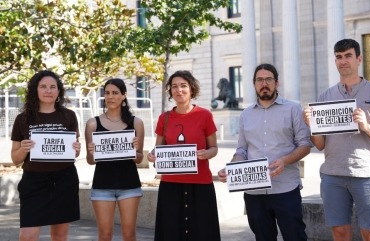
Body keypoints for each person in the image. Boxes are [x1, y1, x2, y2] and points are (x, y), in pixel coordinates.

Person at [303, 39, 370, 241]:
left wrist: (366, 127)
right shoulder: (325, 97)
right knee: (339, 232)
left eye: (348, 56)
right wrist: (311, 125)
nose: (343, 61)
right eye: (339, 57)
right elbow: (320, 145)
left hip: (367, 174)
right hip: (333, 175)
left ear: (359, 59)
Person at [217, 63, 312, 241]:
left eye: (268, 79)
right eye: (259, 80)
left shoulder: (293, 109)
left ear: (277, 83)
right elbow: (242, 150)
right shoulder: (246, 114)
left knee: (295, 237)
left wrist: (285, 160)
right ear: (254, 84)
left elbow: (305, 145)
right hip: (254, 192)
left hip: (286, 188)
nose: (264, 84)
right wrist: (232, 168)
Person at [146, 70, 220, 241]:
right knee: (172, 232)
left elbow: (214, 148)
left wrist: (206, 153)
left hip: (200, 184)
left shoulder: (205, 115)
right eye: (174, 87)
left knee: (202, 233)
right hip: (171, 185)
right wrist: (152, 155)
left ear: (191, 89)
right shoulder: (164, 118)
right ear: (170, 91)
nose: (179, 90)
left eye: (183, 86)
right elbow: (159, 148)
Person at [10, 70, 82, 241]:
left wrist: (77, 148)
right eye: (43, 87)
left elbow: (76, 152)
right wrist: (24, 149)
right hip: (33, 181)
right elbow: (15, 159)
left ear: (59, 91)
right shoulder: (23, 119)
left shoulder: (69, 116)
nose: (48, 91)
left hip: (64, 179)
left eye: (52, 87)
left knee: (60, 234)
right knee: (27, 235)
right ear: (35, 90)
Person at [85, 78, 145, 241]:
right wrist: (92, 152)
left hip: (129, 185)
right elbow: (90, 160)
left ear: (124, 96)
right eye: (107, 93)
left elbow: (139, 158)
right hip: (102, 186)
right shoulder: (93, 124)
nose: (111, 97)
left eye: (115, 93)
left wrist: (133, 150)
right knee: (104, 235)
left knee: (129, 234)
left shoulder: (136, 123)